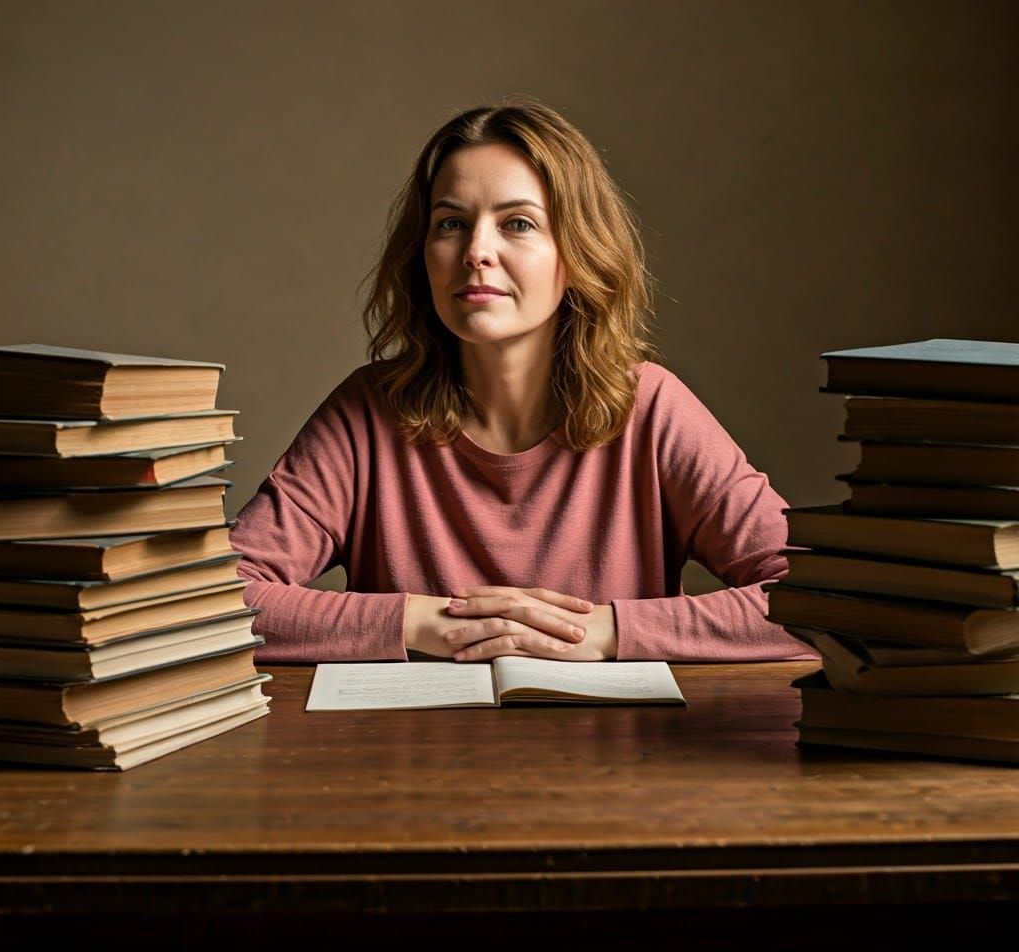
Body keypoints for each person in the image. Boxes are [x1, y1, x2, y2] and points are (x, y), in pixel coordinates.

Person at [230, 97, 814, 665]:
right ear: (423, 255)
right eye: (451, 223)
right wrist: (422, 623)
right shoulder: (367, 411)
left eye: (518, 223)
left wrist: (603, 631)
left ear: (576, 250)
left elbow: (824, 601)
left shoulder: (652, 409)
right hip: (408, 758)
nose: (477, 251)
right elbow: (214, 601)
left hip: (624, 758)